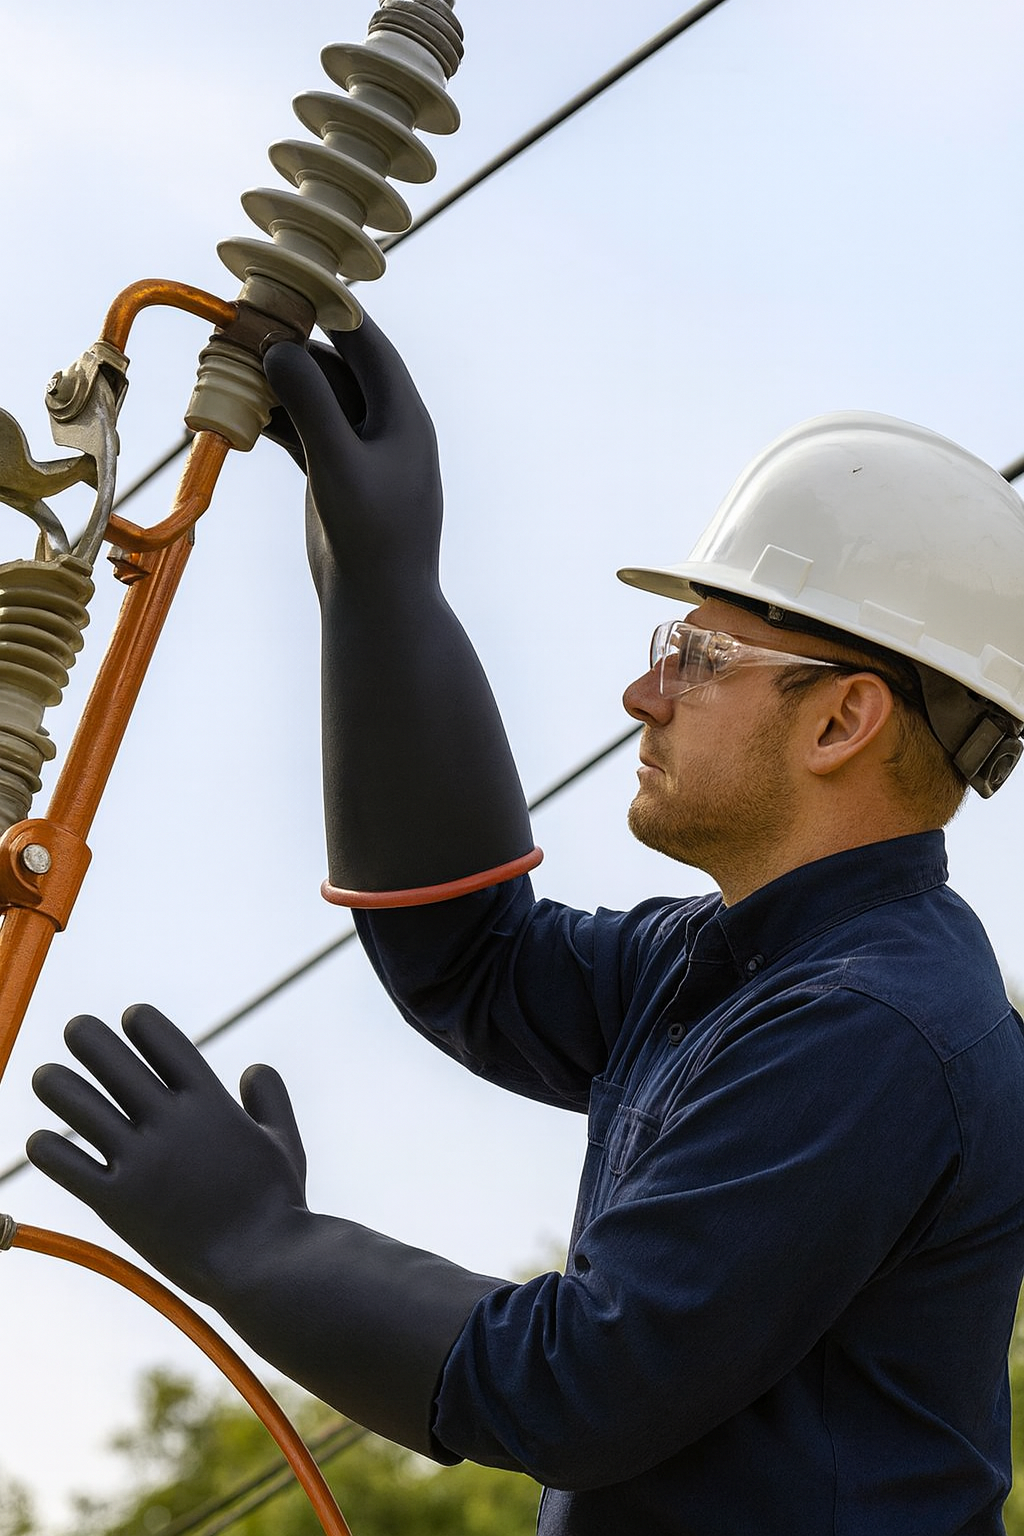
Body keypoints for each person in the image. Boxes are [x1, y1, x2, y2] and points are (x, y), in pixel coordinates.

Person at [27, 316, 1024, 1536]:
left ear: (841, 722)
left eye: (697, 654)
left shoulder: (873, 1029)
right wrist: (378, 581)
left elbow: (582, 1383)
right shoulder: (741, 963)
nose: (643, 692)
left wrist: (258, 1242)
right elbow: (471, 957)